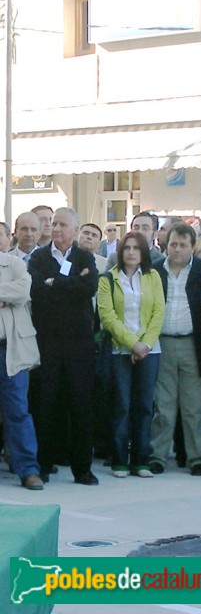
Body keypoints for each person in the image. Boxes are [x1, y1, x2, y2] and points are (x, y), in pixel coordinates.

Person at [28, 207, 99, 485]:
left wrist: (54, 282)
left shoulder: (85, 257)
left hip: (79, 343)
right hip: (48, 342)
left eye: (62, 224)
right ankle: (44, 464)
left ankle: (82, 469)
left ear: (75, 230)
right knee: (46, 403)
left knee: (81, 404)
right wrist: (71, 284)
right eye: (54, 223)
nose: (56, 228)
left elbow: (89, 287)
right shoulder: (39, 257)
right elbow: (37, 290)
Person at [97, 231, 165, 478]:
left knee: (144, 406)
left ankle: (141, 461)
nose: (131, 252)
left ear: (143, 252)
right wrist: (133, 343)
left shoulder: (153, 276)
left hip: (149, 351)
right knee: (121, 406)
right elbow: (108, 317)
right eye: (127, 248)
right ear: (120, 251)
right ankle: (119, 461)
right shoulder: (108, 278)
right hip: (120, 350)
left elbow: (159, 312)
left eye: (136, 248)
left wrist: (144, 344)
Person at [148, 223, 201, 476]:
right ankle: (158, 456)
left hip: (193, 345)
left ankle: (197, 458)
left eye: (183, 245)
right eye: (173, 244)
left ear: (192, 247)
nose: (177, 249)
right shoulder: (154, 270)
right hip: (162, 343)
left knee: (194, 406)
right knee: (163, 406)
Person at [0, 251, 43, 490]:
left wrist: (8, 295)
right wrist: (7, 296)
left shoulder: (13, 263)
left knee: (17, 410)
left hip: (11, 349)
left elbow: (23, 290)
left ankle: (28, 470)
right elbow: (14, 293)